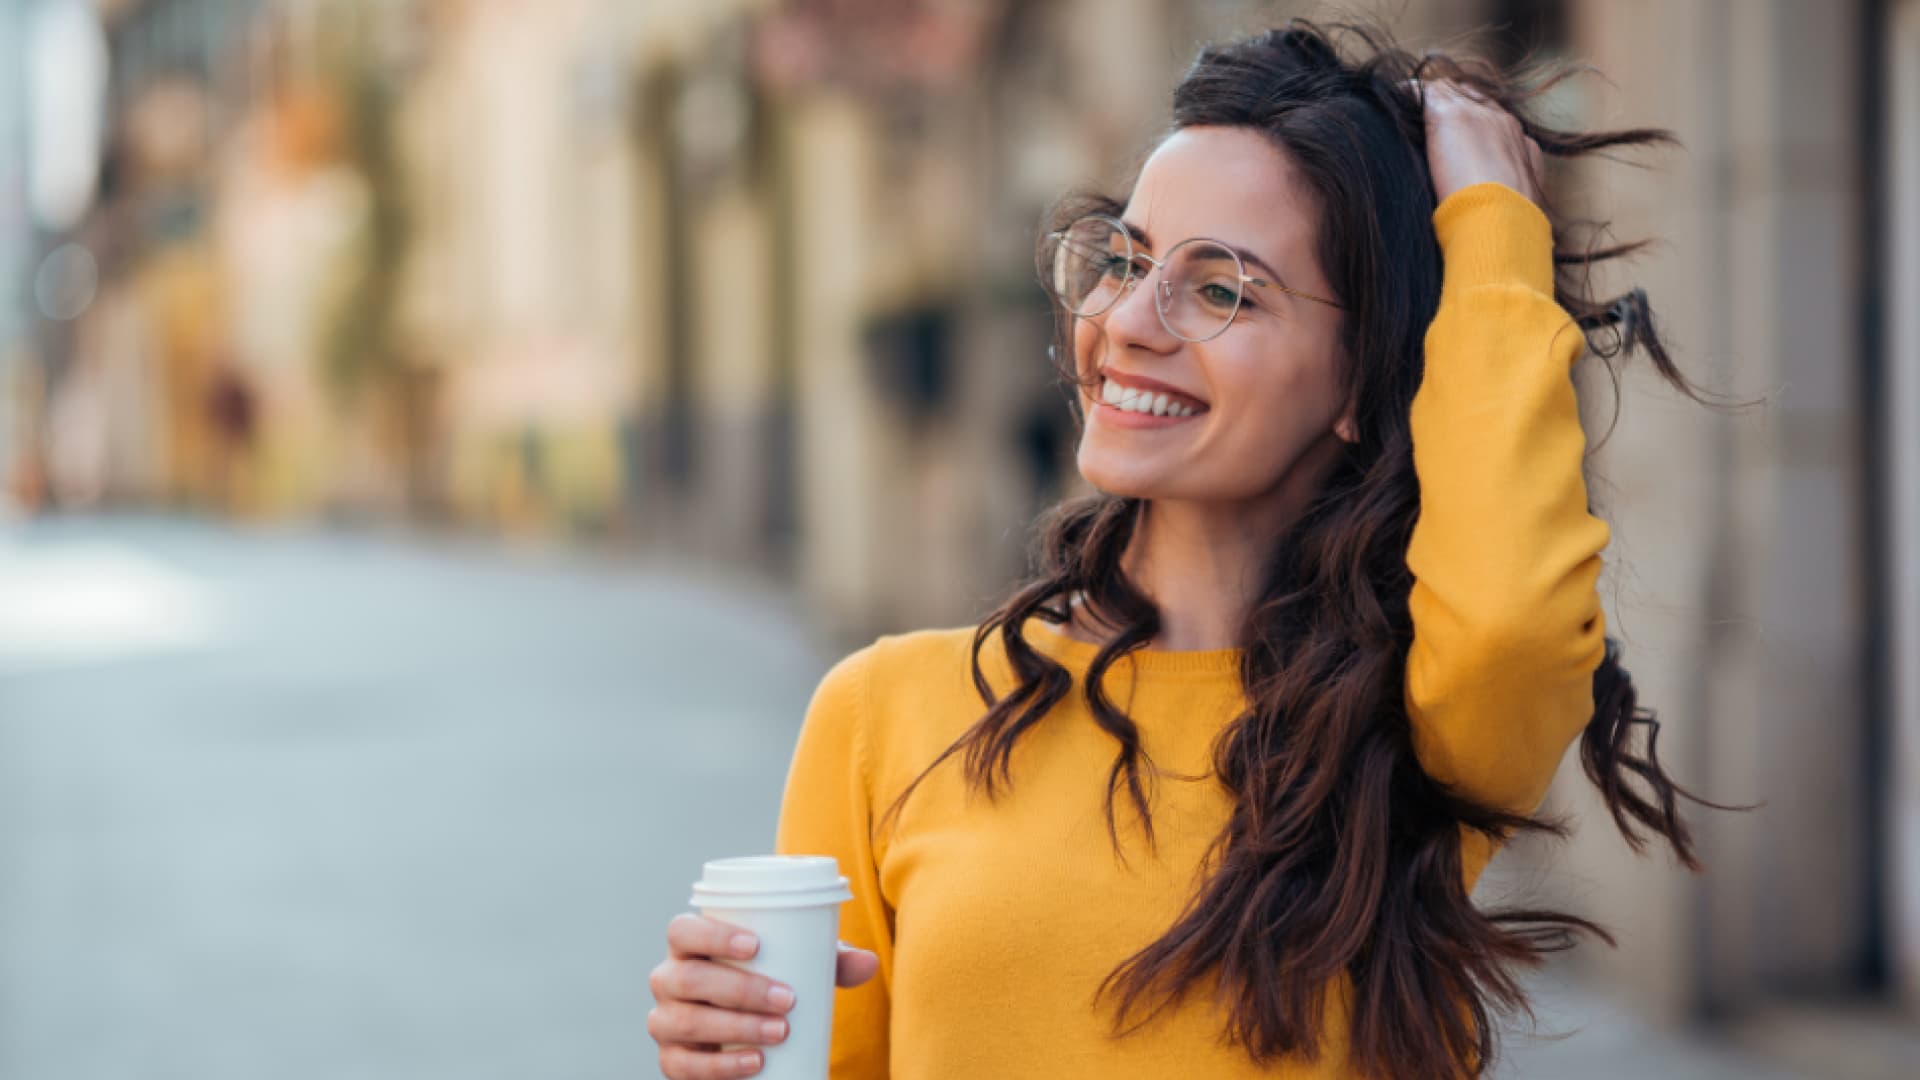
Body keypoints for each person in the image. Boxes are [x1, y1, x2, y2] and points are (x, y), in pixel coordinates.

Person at [650, 20, 1732, 1080]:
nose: (1127, 322)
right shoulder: (885, 712)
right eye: (1126, 258)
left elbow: (1511, 620)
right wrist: (719, 1055)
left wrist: (1494, 225)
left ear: (1361, 380)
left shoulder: (1412, 723)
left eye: (1221, 289)